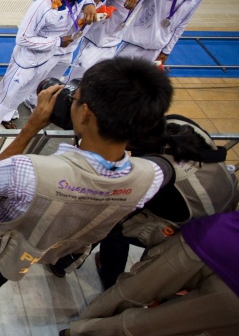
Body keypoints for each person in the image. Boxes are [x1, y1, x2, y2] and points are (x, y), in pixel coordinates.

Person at [0, 57, 173, 300]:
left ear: (86, 114)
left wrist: (32, 125)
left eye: (76, 99)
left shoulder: (29, 171)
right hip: (41, 244)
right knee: (5, 270)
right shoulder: (150, 177)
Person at [61, 211, 239, 336]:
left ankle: (79, 330)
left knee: (136, 288)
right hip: (232, 286)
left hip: (216, 235)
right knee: (158, 324)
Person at [94, 114, 239, 288]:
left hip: (192, 230)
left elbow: (124, 205)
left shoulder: (158, 176)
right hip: (224, 205)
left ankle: (110, 278)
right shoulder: (177, 123)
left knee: (114, 226)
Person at [0, 0, 97, 142]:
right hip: (26, 61)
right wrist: (57, 41)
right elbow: (22, 38)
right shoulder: (44, 3)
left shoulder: (79, 3)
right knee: (6, 93)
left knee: (22, 92)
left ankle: (4, 117)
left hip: (47, 59)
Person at [68, 0, 172, 80]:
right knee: (77, 82)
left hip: (112, 45)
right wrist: (88, 3)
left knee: (97, 85)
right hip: (94, 43)